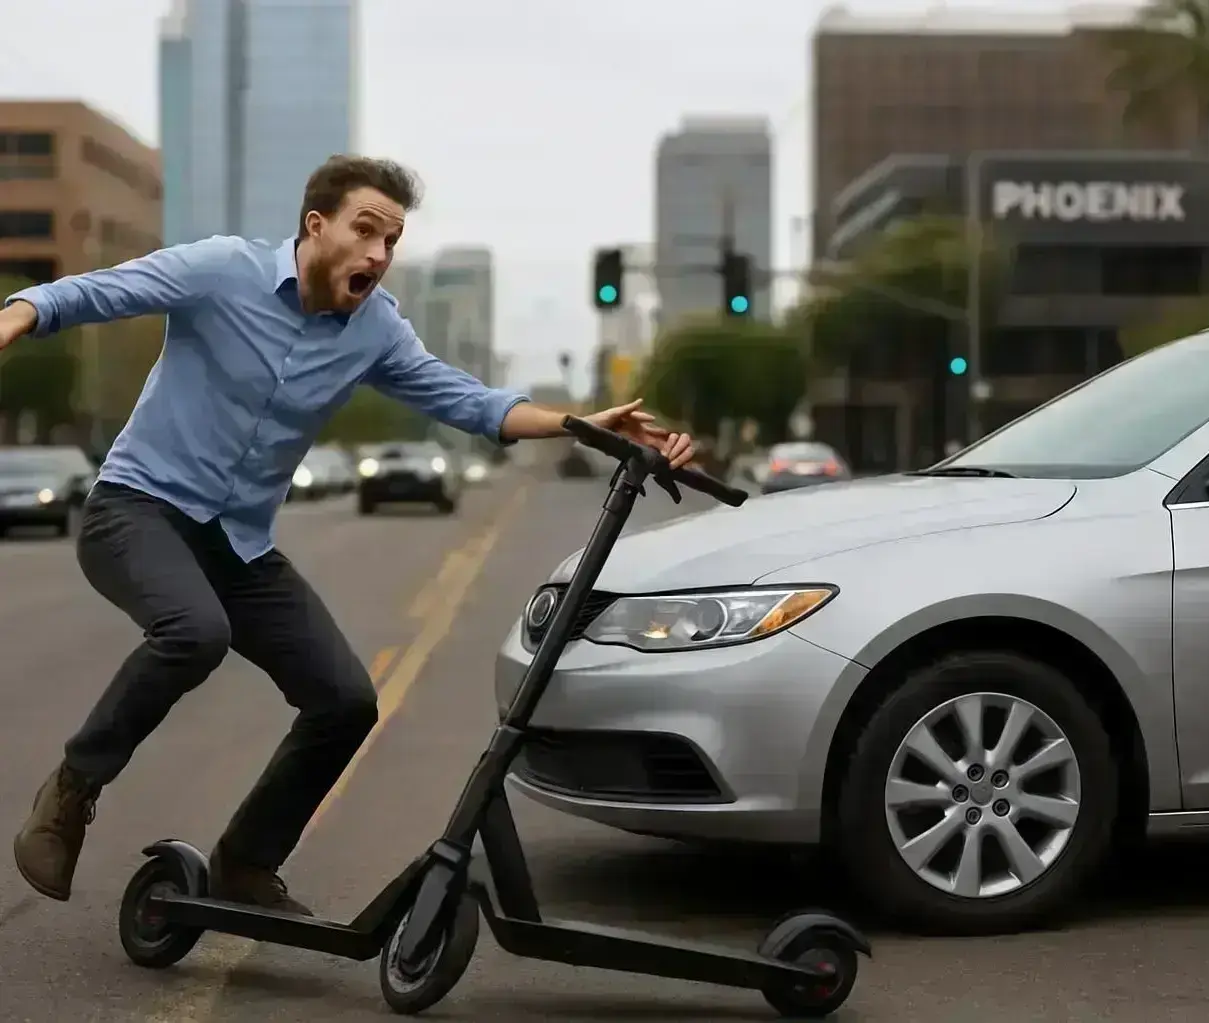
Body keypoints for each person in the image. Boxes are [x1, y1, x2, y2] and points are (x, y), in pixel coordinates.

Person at [0, 154, 694, 916]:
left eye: (391, 242)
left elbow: (468, 401)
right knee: (194, 631)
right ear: (316, 225)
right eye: (366, 231)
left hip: (238, 544)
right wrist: (17, 314)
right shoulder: (221, 270)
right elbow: (95, 291)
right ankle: (72, 787)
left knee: (345, 700)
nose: (378, 255)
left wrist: (581, 425)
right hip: (137, 508)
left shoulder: (375, 331)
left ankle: (246, 862)